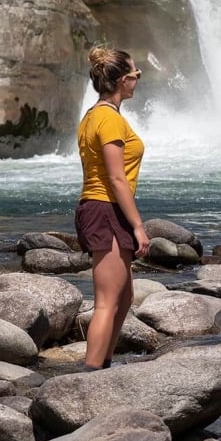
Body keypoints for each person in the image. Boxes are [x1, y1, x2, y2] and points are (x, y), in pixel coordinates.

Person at [75, 45, 150, 371]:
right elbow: (117, 178)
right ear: (123, 80)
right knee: (106, 302)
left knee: (123, 298)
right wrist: (138, 226)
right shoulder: (107, 119)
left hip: (104, 207)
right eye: (136, 73)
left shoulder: (95, 115)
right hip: (105, 208)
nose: (138, 78)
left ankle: (103, 364)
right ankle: (91, 375)